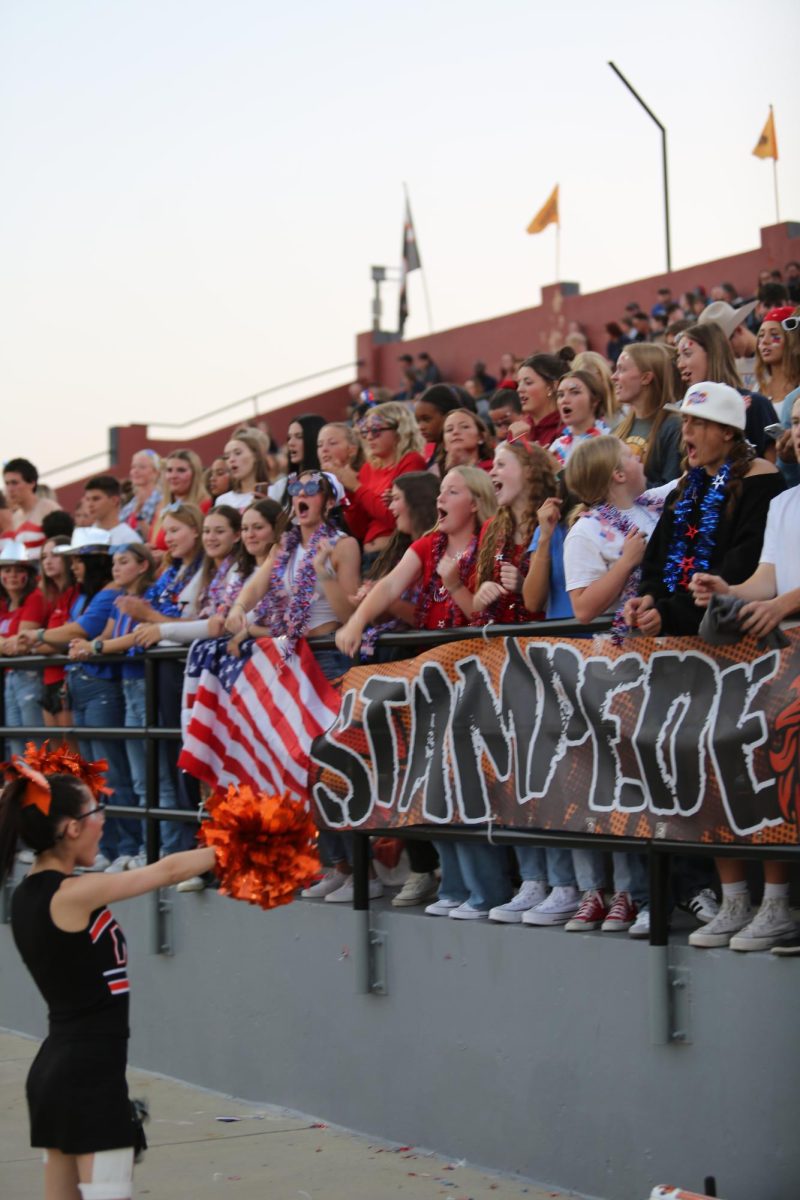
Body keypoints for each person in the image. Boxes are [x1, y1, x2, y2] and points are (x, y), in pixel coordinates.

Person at [0, 751, 217, 1200]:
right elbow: (168, 870)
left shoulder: (27, 895)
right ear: (71, 828)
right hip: (89, 1077)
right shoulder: (73, 894)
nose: (104, 819)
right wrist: (243, 842)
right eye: (96, 810)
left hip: (56, 1073)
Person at [337, 468, 511, 919]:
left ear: (474, 502)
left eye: (452, 491)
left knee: (469, 784)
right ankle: (453, 885)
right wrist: (357, 621)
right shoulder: (427, 545)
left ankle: (487, 892)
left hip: (479, 673)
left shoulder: (493, 537)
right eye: (441, 491)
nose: (442, 497)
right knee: (432, 782)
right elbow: (391, 586)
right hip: (432, 674)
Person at [686, 391, 800, 952]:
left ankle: (778, 905)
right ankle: (750, 903)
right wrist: (726, 589)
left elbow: (780, 595)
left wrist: (784, 605)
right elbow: (766, 579)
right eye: (796, 423)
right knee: (734, 758)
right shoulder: (785, 503)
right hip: (781, 656)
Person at [560, 436, 665, 934]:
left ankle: (652, 892)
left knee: (657, 783)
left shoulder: (654, 505)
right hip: (614, 671)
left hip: (666, 662)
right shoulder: (585, 532)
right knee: (618, 781)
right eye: (629, 455)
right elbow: (582, 608)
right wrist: (624, 563)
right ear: (616, 474)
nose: (638, 458)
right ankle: (621, 892)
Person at [17, 528, 141, 871]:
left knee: (111, 771)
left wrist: (36, 635)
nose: (73, 567)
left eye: (78, 560)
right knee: (93, 774)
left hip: (100, 688)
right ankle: (112, 845)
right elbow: (74, 634)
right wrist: (41, 640)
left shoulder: (106, 593)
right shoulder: (83, 594)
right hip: (82, 687)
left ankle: (128, 845)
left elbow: (80, 630)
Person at [624, 381, 784, 638]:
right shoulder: (685, 488)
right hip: (678, 640)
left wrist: (668, 614)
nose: (686, 431)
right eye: (684, 421)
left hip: (733, 642)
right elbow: (658, 560)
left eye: (698, 423)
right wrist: (648, 598)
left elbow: (741, 566)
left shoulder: (761, 483)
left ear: (727, 432)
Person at [68, 544, 159, 871]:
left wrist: (92, 645)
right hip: (125, 686)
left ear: (142, 566)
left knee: (132, 775)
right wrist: (88, 645)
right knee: (107, 776)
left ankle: (140, 845)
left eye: (123, 562)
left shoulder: (146, 596)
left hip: (135, 687)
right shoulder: (119, 599)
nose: (116, 568)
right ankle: (115, 846)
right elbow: (105, 634)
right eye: (114, 562)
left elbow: (132, 637)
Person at [334, 401, 426, 564]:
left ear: (398, 430)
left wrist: (357, 487)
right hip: (369, 557)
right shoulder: (368, 469)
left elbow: (396, 518)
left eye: (376, 430)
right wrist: (348, 491)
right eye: (365, 431)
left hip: (398, 553)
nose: (369, 437)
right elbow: (359, 528)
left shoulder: (411, 461)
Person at [675, 322, 777, 457]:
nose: (680, 364)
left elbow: (772, 470)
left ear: (713, 355)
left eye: (687, 354)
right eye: (678, 357)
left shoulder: (756, 404)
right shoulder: (684, 411)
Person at [612, 343, 684, 486]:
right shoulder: (618, 429)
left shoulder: (674, 426)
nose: (613, 377)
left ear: (646, 378)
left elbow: (671, 489)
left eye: (622, 369)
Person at [0, 542, 46, 757]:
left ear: (29, 574)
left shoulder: (35, 598)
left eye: (19, 570)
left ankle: (39, 790)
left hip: (30, 676)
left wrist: (7, 643)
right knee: (16, 745)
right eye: (6, 570)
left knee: (33, 744)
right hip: (10, 677)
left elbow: (19, 644)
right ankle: (21, 789)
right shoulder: (4, 603)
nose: (11, 576)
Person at [38, 537, 79, 745]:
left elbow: (68, 637)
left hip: (67, 680)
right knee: (56, 757)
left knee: (72, 755)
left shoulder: (77, 593)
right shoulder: (54, 597)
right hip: (49, 679)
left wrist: (33, 644)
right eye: (44, 556)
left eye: (54, 555)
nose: (48, 561)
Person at [149, 452, 210, 553]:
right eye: (169, 470)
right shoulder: (162, 506)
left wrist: (165, 557)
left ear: (195, 474)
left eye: (181, 470)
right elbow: (154, 541)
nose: (173, 476)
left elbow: (201, 548)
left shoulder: (205, 505)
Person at [549, 370, 611, 467]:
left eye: (575, 393)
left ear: (595, 400)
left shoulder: (609, 442)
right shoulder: (557, 446)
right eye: (560, 395)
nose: (564, 400)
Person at [1, 458, 60, 557]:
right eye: (7, 483)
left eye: (14, 483)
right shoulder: (15, 517)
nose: (10, 489)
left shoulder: (48, 508)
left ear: (32, 483)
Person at [510, 351, 571, 447]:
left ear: (552, 386)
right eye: (518, 383)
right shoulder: (519, 430)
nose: (519, 389)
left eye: (528, 382)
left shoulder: (568, 428)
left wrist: (526, 445)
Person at [697, 299, 759, 391]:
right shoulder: (732, 366)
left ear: (738, 330)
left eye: (725, 347)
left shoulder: (772, 357)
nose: (727, 353)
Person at [754, 305, 800, 412]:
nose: (764, 341)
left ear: (791, 340)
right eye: (761, 335)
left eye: (774, 334)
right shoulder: (758, 388)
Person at [215, 432, 271, 513]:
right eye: (227, 457)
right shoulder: (222, 501)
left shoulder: (275, 491)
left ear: (255, 456)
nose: (231, 460)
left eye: (238, 453)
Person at [82, 477, 144, 547]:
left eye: (96, 499)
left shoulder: (129, 539)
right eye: (87, 499)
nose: (90, 504)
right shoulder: (85, 538)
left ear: (114, 500)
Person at [413, 385, 463, 469]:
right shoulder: (435, 452)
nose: (420, 427)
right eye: (418, 421)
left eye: (426, 419)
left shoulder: (460, 456)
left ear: (447, 416)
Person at [118, 451, 163, 542]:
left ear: (156, 472)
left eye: (142, 467)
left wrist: (138, 514)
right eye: (133, 467)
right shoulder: (130, 504)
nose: (136, 471)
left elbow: (155, 539)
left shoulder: (161, 501)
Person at [439, 408, 493, 473]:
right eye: (449, 429)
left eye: (464, 427)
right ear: (445, 445)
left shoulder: (494, 469)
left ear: (481, 437)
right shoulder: (436, 475)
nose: (455, 432)